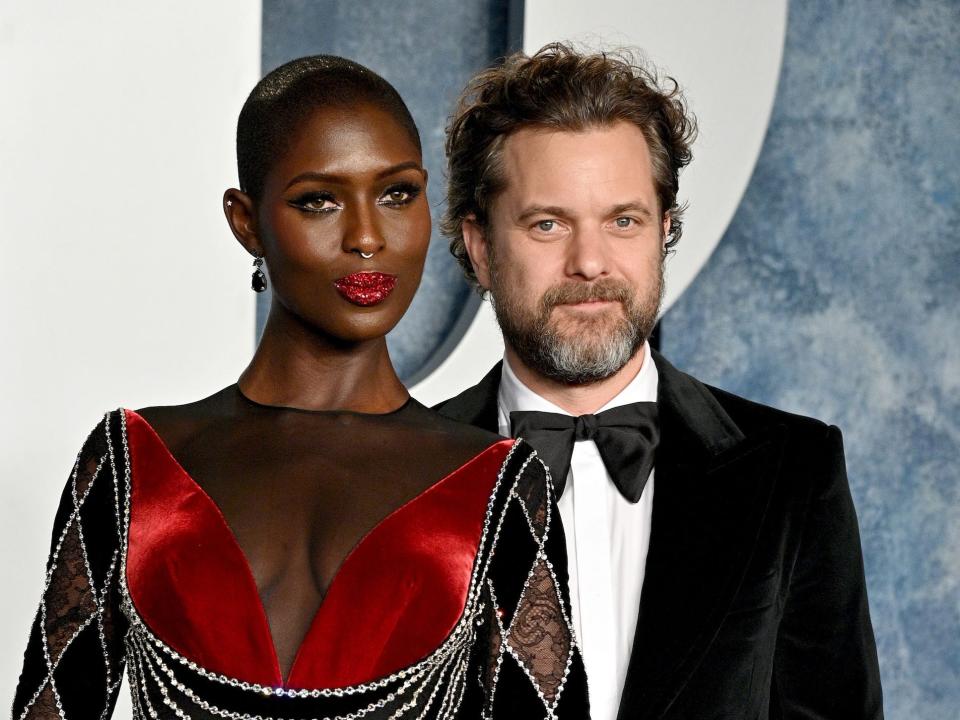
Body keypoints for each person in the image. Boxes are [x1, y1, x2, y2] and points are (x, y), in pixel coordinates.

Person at [13, 55, 589, 720]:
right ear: (246, 221)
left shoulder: (496, 483)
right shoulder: (134, 462)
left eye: (397, 193)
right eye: (319, 200)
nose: (368, 237)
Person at [436, 43, 884, 719]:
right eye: (548, 223)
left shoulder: (793, 472)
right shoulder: (401, 475)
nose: (590, 262)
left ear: (664, 231)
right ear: (480, 246)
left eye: (623, 221)